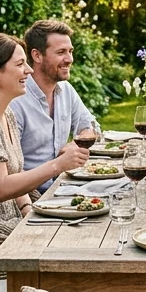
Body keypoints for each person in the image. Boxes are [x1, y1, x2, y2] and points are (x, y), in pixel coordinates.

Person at [0, 33, 89, 223]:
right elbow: (1, 188)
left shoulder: (6, 113)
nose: (29, 70)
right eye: (20, 64)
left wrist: (26, 207)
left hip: (6, 218)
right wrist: (58, 165)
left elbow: (14, 173)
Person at [10, 20, 99, 190]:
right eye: (61, 52)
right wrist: (59, 163)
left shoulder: (65, 90)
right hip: (30, 196)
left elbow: (91, 124)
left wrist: (76, 144)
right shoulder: (16, 100)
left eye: (70, 51)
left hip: (63, 186)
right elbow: (10, 170)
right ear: (37, 55)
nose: (69, 59)